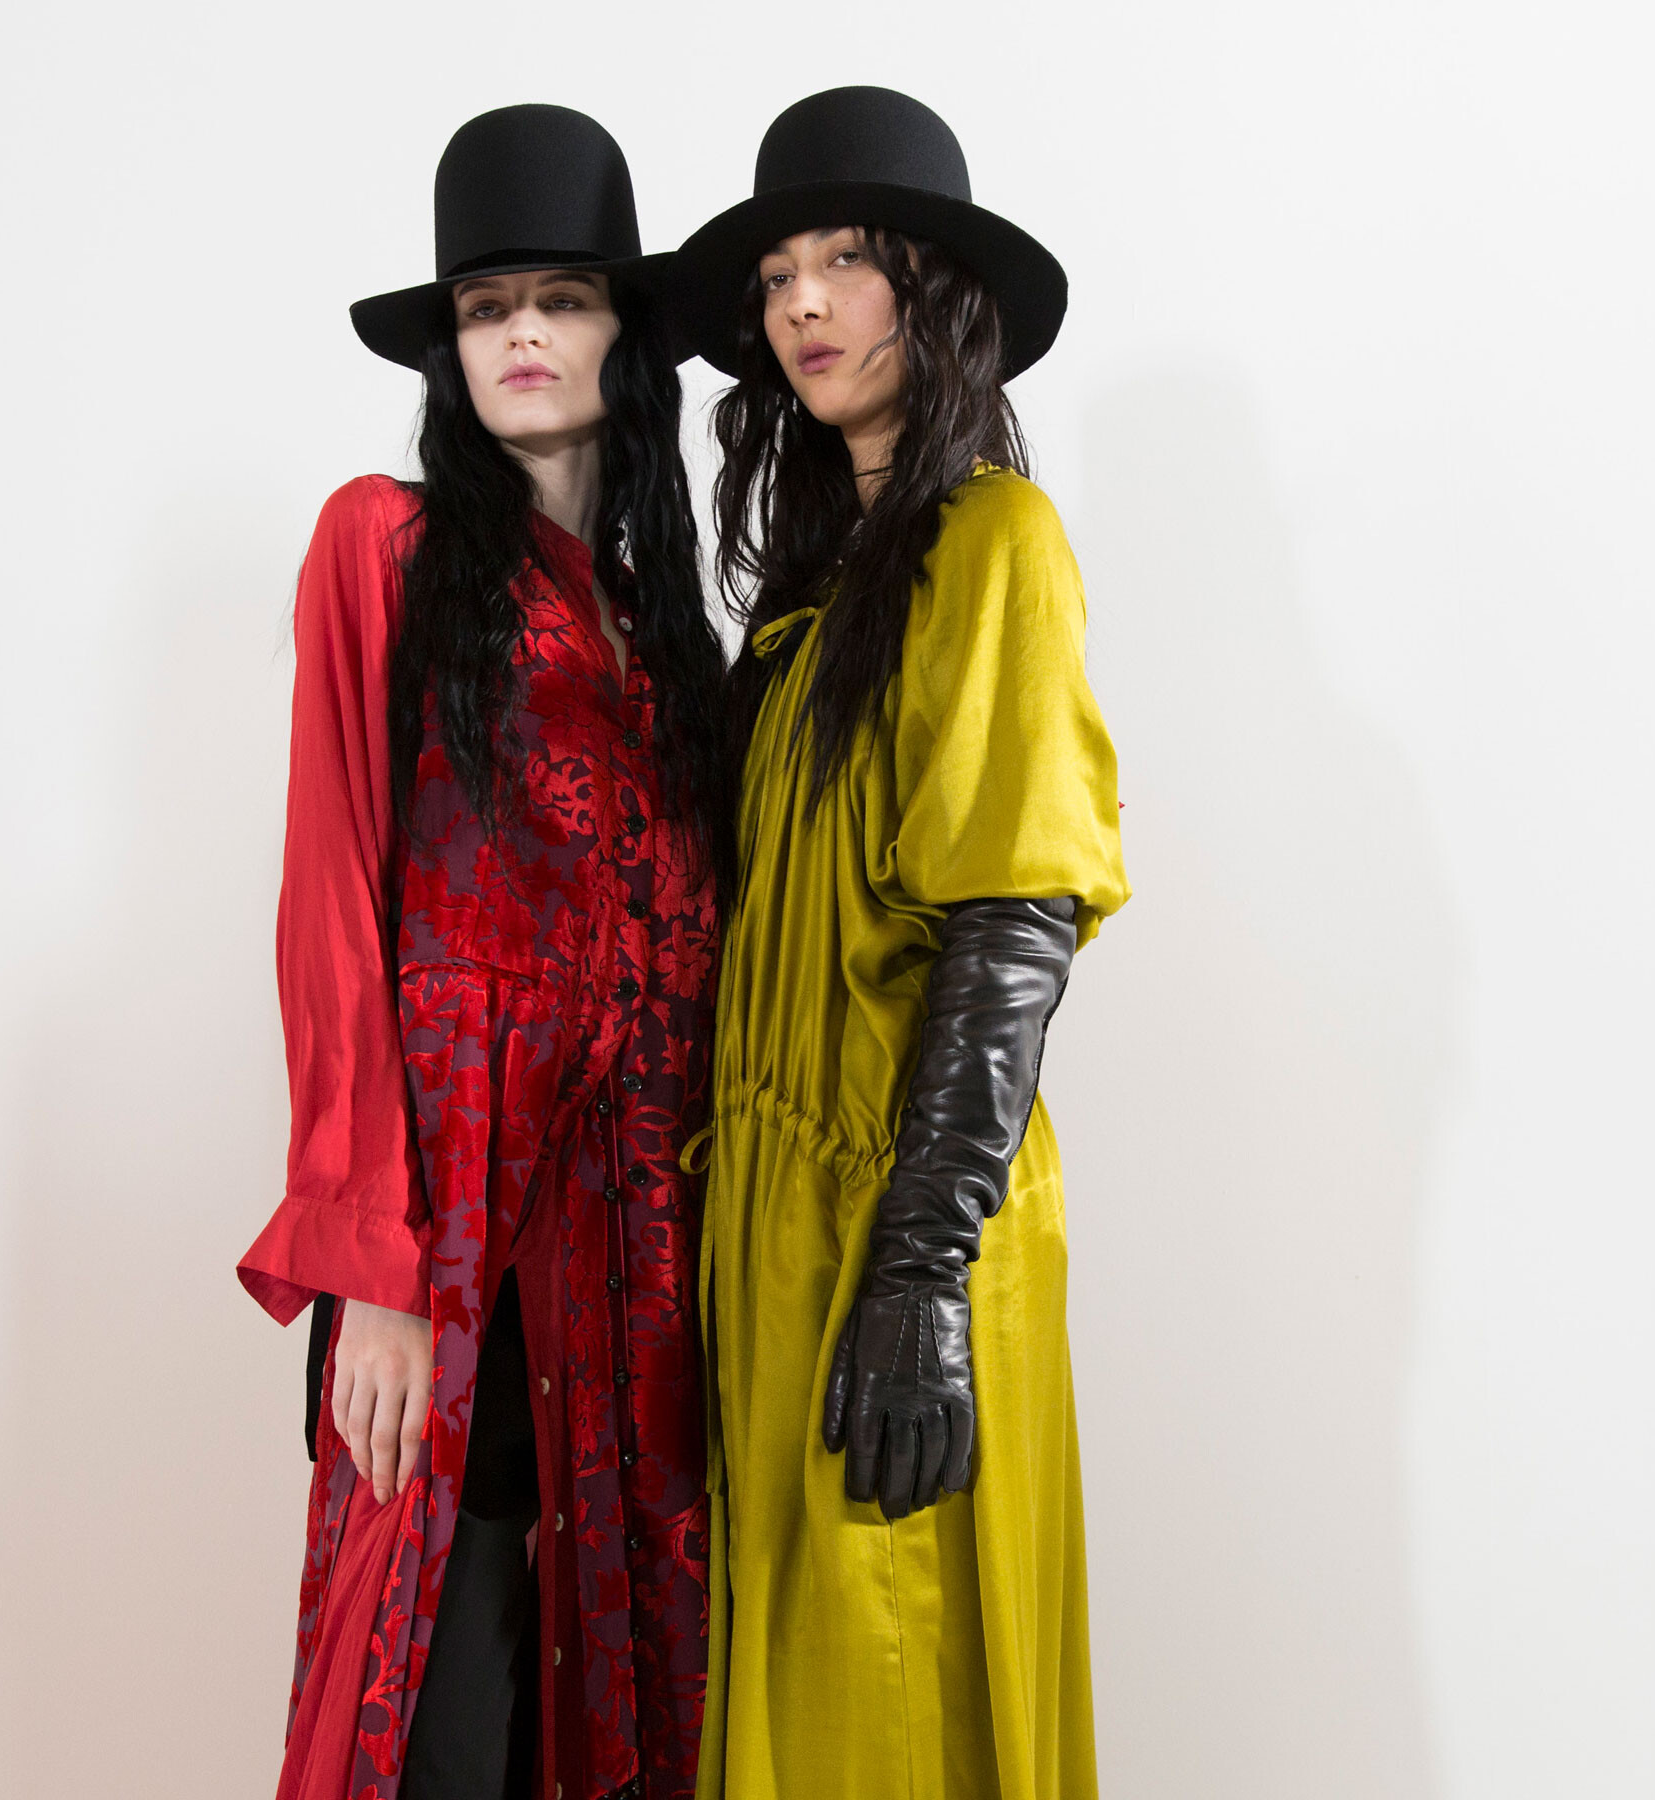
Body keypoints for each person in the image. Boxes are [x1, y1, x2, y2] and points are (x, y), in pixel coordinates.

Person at [237, 104, 727, 1800]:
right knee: (431, 1713)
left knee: (602, 1721)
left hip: (637, 1258)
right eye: (485, 305)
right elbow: (331, 910)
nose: (521, 333)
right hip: (446, 1241)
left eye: (563, 299)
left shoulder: (662, 627)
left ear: (621, 336)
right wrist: (371, 1268)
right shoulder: (383, 544)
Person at [668, 86, 1130, 1800]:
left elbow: (1014, 918)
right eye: (778, 273)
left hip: (902, 1221)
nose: (802, 303)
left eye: (845, 261)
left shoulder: (995, 544)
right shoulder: (812, 604)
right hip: (780, 1231)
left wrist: (919, 1274)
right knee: (801, 1705)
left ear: (931, 293)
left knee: (901, 1694)